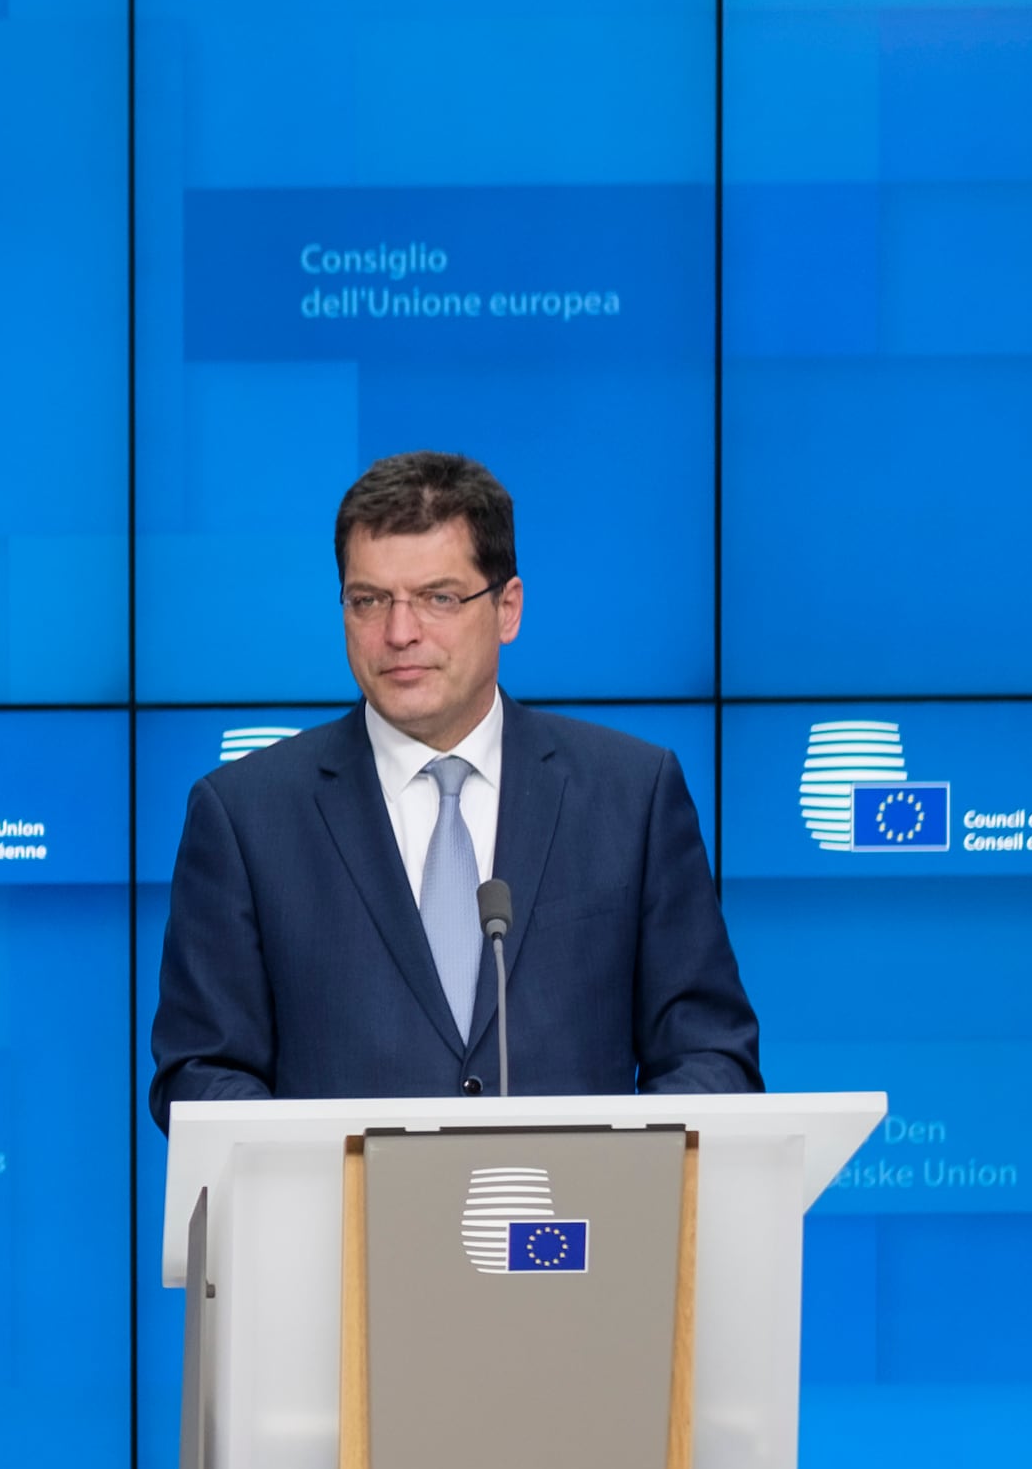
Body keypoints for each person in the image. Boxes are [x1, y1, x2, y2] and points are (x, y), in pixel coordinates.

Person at [149, 450, 759, 1122]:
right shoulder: (245, 817)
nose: (400, 632)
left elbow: (712, 1057)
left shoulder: (631, 795)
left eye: (438, 598)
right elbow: (199, 1073)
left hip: (571, 1222)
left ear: (507, 608)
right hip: (343, 1225)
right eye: (369, 601)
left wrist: (616, 1164)